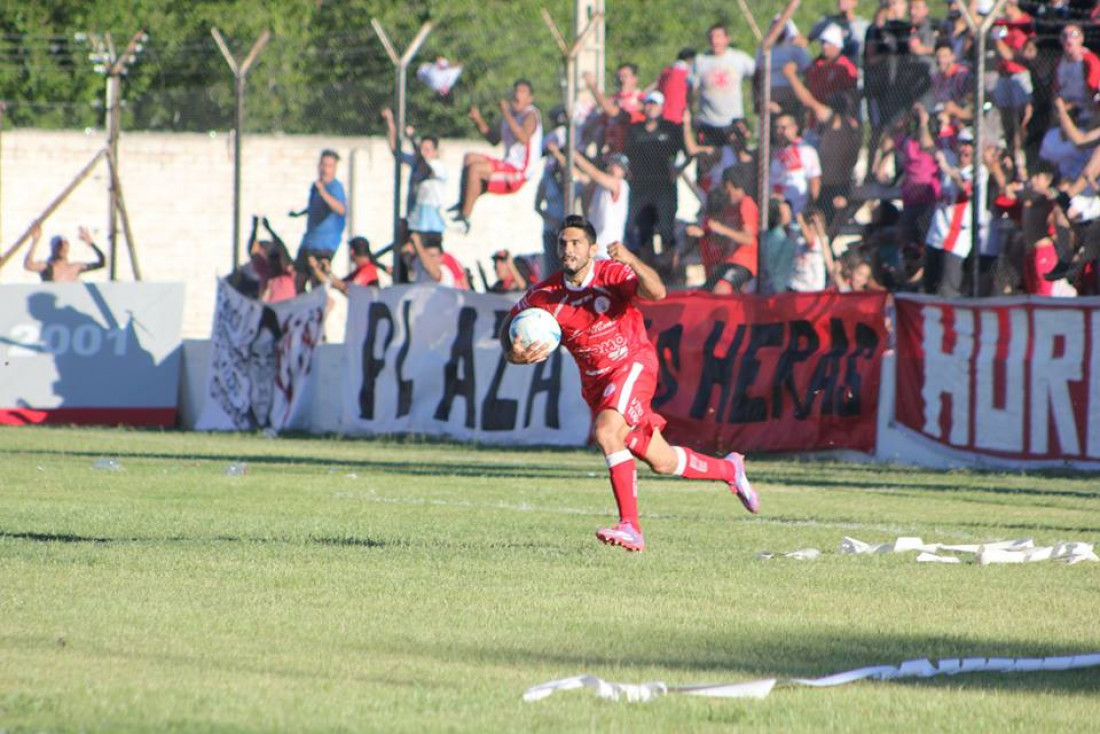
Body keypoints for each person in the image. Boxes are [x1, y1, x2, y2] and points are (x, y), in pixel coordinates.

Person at [500, 215, 759, 553]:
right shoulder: (546, 295)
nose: (568, 249)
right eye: (563, 243)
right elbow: (508, 329)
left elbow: (658, 291)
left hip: (632, 364)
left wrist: (633, 261)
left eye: (576, 243)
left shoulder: (611, 273)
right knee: (662, 461)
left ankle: (631, 527)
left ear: (592, 248)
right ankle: (729, 468)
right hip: (597, 385)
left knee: (607, 433)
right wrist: (513, 355)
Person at [451, 79, 543, 233]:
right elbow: (494, 140)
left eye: (522, 92)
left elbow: (523, 137)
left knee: (476, 169)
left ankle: (464, 219)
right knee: (469, 158)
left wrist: (506, 113)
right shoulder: (510, 117)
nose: (517, 95)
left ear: (529, 99)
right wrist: (478, 120)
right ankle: (462, 204)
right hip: (507, 164)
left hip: (519, 172)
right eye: (516, 91)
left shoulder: (531, 115)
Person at [545, 139, 629, 259]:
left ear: (624, 172)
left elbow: (594, 173)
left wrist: (575, 155)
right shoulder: (600, 185)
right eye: (612, 163)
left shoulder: (621, 184)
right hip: (595, 248)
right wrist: (557, 154)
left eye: (618, 166)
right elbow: (577, 174)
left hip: (608, 250)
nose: (613, 167)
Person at [381, 108, 447, 258]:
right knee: (408, 256)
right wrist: (390, 123)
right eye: (422, 149)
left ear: (436, 152)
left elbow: (425, 167)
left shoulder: (437, 167)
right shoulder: (417, 163)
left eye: (428, 149)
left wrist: (411, 139)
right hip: (415, 222)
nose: (424, 152)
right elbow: (395, 150)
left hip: (431, 226)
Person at [692, 23, 756, 150]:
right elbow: (692, 89)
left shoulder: (739, 58)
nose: (715, 41)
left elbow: (758, 75)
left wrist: (756, 97)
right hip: (708, 122)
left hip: (733, 121)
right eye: (711, 37)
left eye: (718, 37)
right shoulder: (701, 60)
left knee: (736, 161)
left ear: (727, 39)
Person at [290, 149, 347, 292]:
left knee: (317, 281)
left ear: (334, 168)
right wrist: (299, 214)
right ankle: (303, 311)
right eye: (323, 164)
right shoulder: (315, 187)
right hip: (309, 241)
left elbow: (340, 209)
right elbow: (315, 208)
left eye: (329, 166)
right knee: (299, 280)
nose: (325, 169)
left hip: (325, 244)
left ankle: (322, 308)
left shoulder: (334, 187)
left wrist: (323, 192)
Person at [770, 114, 822, 216]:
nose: (779, 132)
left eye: (783, 128)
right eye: (776, 128)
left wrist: (808, 209)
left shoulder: (806, 151)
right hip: (776, 211)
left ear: (794, 128)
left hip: (798, 211)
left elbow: (815, 182)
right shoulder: (772, 153)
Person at [23, 224, 105, 282]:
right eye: (59, 245)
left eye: (65, 244)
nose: (62, 248)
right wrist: (35, 241)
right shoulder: (47, 267)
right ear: (53, 248)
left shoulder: (75, 267)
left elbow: (102, 262)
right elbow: (28, 265)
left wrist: (90, 242)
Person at [315, 236, 392, 296]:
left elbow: (348, 290)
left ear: (352, 251)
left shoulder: (369, 269)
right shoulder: (361, 269)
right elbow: (341, 283)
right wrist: (325, 272)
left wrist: (328, 273)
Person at [402, 232, 469, 289]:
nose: (430, 259)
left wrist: (418, 244)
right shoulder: (419, 263)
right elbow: (405, 255)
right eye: (428, 255)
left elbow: (429, 266)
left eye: (433, 256)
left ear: (441, 258)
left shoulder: (444, 272)